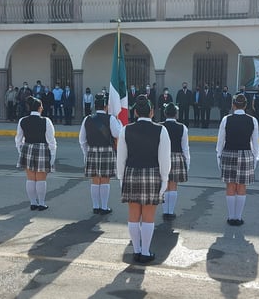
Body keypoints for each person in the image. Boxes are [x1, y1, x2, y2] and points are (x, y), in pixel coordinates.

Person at [117, 95, 171, 264]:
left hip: (131, 173)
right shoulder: (161, 130)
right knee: (148, 215)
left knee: (133, 214)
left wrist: (121, 178)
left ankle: (136, 250)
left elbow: (121, 159)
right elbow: (164, 159)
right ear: (152, 112)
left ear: (135, 112)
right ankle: (145, 252)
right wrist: (165, 179)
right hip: (152, 174)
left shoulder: (125, 129)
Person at [216, 94, 259, 226]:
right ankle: (238, 217)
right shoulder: (253, 120)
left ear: (233, 105)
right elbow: (255, 144)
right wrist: (255, 159)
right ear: (246, 105)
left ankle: (231, 217)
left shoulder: (226, 119)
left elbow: (220, 141)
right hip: (246, 154)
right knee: (241, 186)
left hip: (228, 152)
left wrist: (219, 157)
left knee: (230, 185)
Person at [79, 92, 122, 214]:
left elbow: (82, 140)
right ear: (106, 106)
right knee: (105, 180)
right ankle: (104, 207)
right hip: (107, 151)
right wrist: (119, 123)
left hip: (92, 151)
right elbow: (118, 134)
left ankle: (96, 206)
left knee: (95, 180)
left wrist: (87, 153)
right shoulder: (111, 118)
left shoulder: (87, 119)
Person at [15, 96, 57, 211]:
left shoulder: (22, 120)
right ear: (39, 108)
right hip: (42, 148)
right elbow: (51, 140)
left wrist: (21, 151)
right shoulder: (46, 121)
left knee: (30, 178)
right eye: (41, 106)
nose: (42, 108)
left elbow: (18, 139)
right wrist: (52, 155)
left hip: (27, 147)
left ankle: (33, 203)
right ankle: (42, 203)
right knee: (41, 178)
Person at [160, 102, 190, 220]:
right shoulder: (182, 127)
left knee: (164, 184)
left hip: (162, 157)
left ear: (165, 113)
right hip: (177, 157)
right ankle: (170, 212)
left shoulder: (159, 126)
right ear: (176, 114)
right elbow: (185, 147)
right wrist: (187, 162)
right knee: (173, 185)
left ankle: (165, 211)